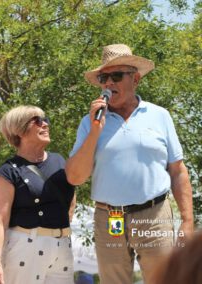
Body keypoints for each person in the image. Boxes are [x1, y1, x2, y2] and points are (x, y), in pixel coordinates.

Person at [66, 44, 194, 284]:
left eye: (116, 76)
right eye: (104, 78)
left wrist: (187, 221)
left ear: (135, 79)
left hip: (152, 215)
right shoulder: (89, 122)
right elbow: (75, 178)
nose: (108, 84)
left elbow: (177, 171)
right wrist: (95, 132)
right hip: (110, 218)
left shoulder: (159, 115)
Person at [0, 105, 76, 284]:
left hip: (62, 246)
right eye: (37, 120)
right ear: (19, 130)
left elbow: (71, 200)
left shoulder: (59, 160)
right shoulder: (8, 171)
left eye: (45, 120)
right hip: (24, 246)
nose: (45, 124)